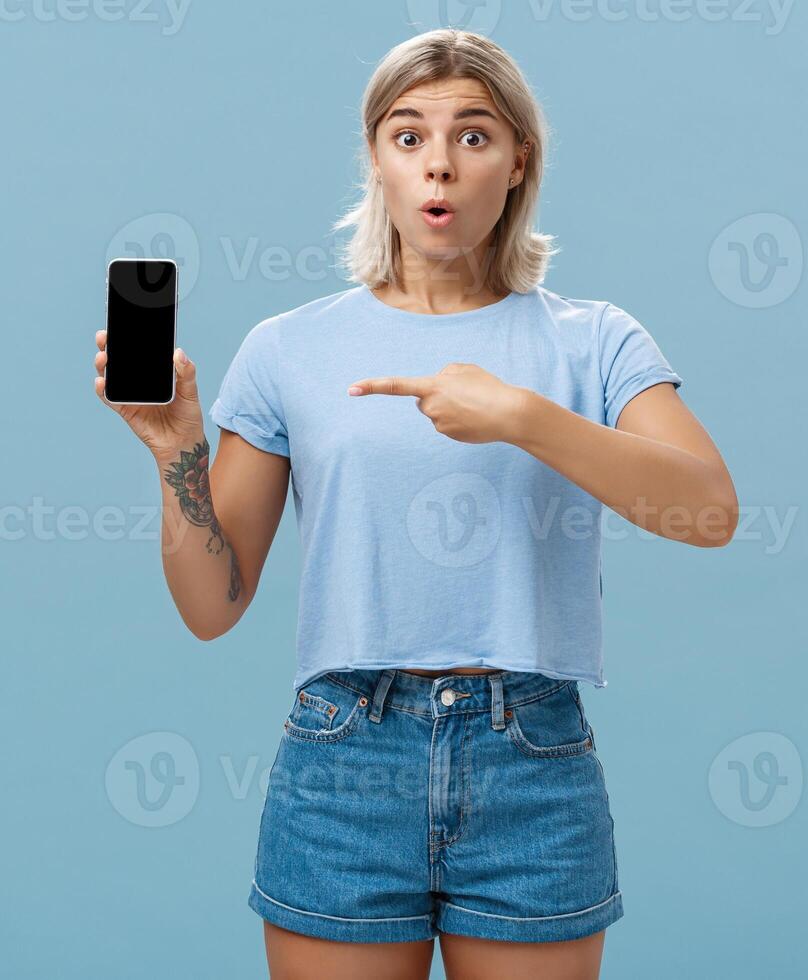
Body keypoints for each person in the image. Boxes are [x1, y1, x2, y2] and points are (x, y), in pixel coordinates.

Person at [91, 28, 735, 979]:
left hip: (531, 759)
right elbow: (212, 606)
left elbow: (708, 512)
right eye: (408, 136)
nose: (439, 163)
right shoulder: (286, 350)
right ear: (376, 161)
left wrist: (522, 416)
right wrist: (177, 452)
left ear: (519, 161)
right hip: (344, 760)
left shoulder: (593, 341)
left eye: (474, 137)